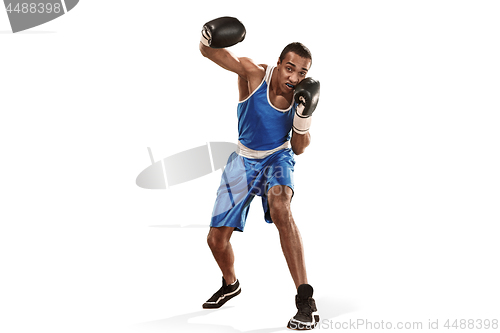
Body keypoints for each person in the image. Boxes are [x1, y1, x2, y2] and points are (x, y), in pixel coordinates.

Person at [199, 16, 321, 330]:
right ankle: (230, 283)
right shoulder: (254, 74)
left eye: (302, 72)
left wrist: (303, 117)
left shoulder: (302, 96)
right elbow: (211, 53)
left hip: (277, 158)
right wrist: (207, 37)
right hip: (242, 160)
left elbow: (298, 147)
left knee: (281, 207)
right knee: (216, 241)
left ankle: (305, 298)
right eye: (290, 67)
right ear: (279, 63)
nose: (295, 77)